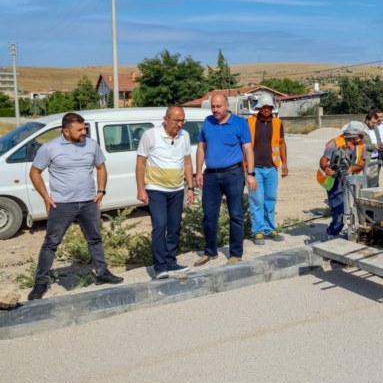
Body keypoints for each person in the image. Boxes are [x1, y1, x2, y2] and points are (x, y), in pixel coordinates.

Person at [27, 112, 123, 300]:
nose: (83, 132)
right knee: (51, 243)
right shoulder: (50, 148)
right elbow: (34, 172)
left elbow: (101, 167)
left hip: (88, 202)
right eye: (79, 129)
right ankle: (40, 283)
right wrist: (46, 198)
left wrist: (101, 191)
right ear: (65, 130)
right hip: (62, 204)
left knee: (94, 239)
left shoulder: (92, 144)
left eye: (84, 128)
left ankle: (102, 272)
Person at [195, 92, 257, 266]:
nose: (215, 110)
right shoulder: (207, 122)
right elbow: (201, 148)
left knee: (236, 214)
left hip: (234, 174)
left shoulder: (240, 123)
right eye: (213, 106)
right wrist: (198, 171)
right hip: (211, 176)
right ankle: (210, 251)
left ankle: (235, 253)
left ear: (227, 106)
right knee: (208, 215)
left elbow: (248, 150)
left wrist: (250, 174)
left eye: (218, 106)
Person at [136, 105, 195, 279]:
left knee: (175, 227)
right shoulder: (150, 135)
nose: (179, 124)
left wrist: (190, 188)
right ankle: (160, 266)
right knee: (160, 225)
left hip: (177, 189)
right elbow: (140, 163)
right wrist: (141, 188)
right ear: (166, 119)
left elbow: (188, 162)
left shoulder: (185, 136)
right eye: (176, 120)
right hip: (156, 189)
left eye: (182, 120)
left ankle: (171, 262)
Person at [246, 93, 288, 246]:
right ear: (259, 107)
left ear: (272, 107)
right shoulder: (249, 122)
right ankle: (258, 231)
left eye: (269, 106)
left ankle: (270, 229)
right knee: (257, 199)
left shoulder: (278, 123)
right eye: (264, 106)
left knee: (270, 199)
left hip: (271, 168)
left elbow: (282, 143)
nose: (266, 109)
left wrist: (284, 163)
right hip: (254, 169)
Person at [317, 121, 367, 240]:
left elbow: (362, 162)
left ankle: (354, 232)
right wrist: (326, 168)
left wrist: (352, 169)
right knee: (339, 209)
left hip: (351, 178)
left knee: (356, 208)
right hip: (334, 180)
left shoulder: (361, 145)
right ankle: (332, 233)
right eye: (361, 134)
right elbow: (324, 159)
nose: (362, 137)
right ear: (354, 135)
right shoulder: (335, 143)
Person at [364, 111, 381, 188]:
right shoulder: (362, 130)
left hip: (376, 159)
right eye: (373, 122)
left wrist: (380, 144)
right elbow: (360, 145)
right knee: (365, 181)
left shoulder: (376, 129)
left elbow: (378, 140)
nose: (374, 124)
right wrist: (372, 146)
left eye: (376, 123)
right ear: (367, 120)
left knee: (374, 181)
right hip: (367, 159)